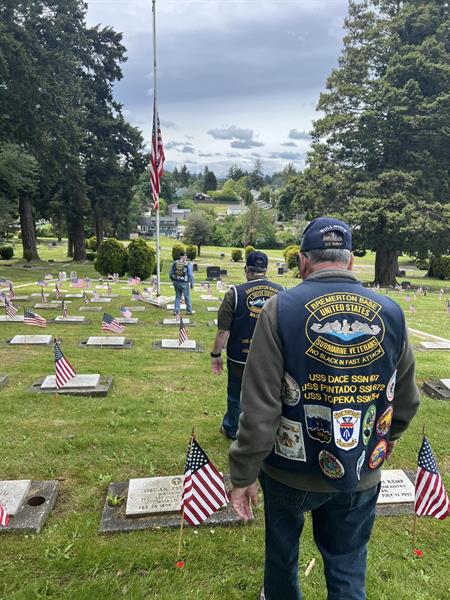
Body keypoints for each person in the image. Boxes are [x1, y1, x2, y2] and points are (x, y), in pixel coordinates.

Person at [228, 218, 420, 600]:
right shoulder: (391, 312)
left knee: (282, 559)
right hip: (360, 469)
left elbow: (261, 405)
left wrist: (244, 472)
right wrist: (390, 437)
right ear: (350, 262)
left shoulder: (279, 309)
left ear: (302, 261)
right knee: (348, 564)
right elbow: (406, 397)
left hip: (289, 472)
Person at [211, 251, 284, 440]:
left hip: (240, 356)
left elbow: (223, 331)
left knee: (236, 393)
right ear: (265, 270)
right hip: (271, 357)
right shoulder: (282, 292)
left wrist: (215, 355)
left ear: (246, 270)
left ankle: (233, 428)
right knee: (268, 394)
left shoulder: (234, 294)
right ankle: (267, 429)